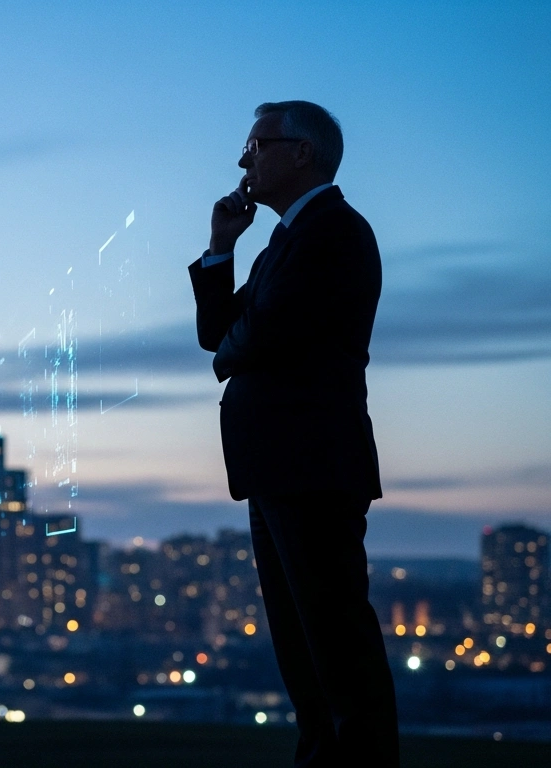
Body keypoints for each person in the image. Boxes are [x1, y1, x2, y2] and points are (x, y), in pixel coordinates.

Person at [189, 101, 399, 766]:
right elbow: (217, 332)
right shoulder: (283, 242)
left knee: (338, 655)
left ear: (300, 153)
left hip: (311, 468)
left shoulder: (335, 233)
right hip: (277, 470)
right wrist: (223, 247)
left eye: (256, 145)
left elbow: (258, 338)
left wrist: (230, 354)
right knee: (305, 661)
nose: (243, 160)